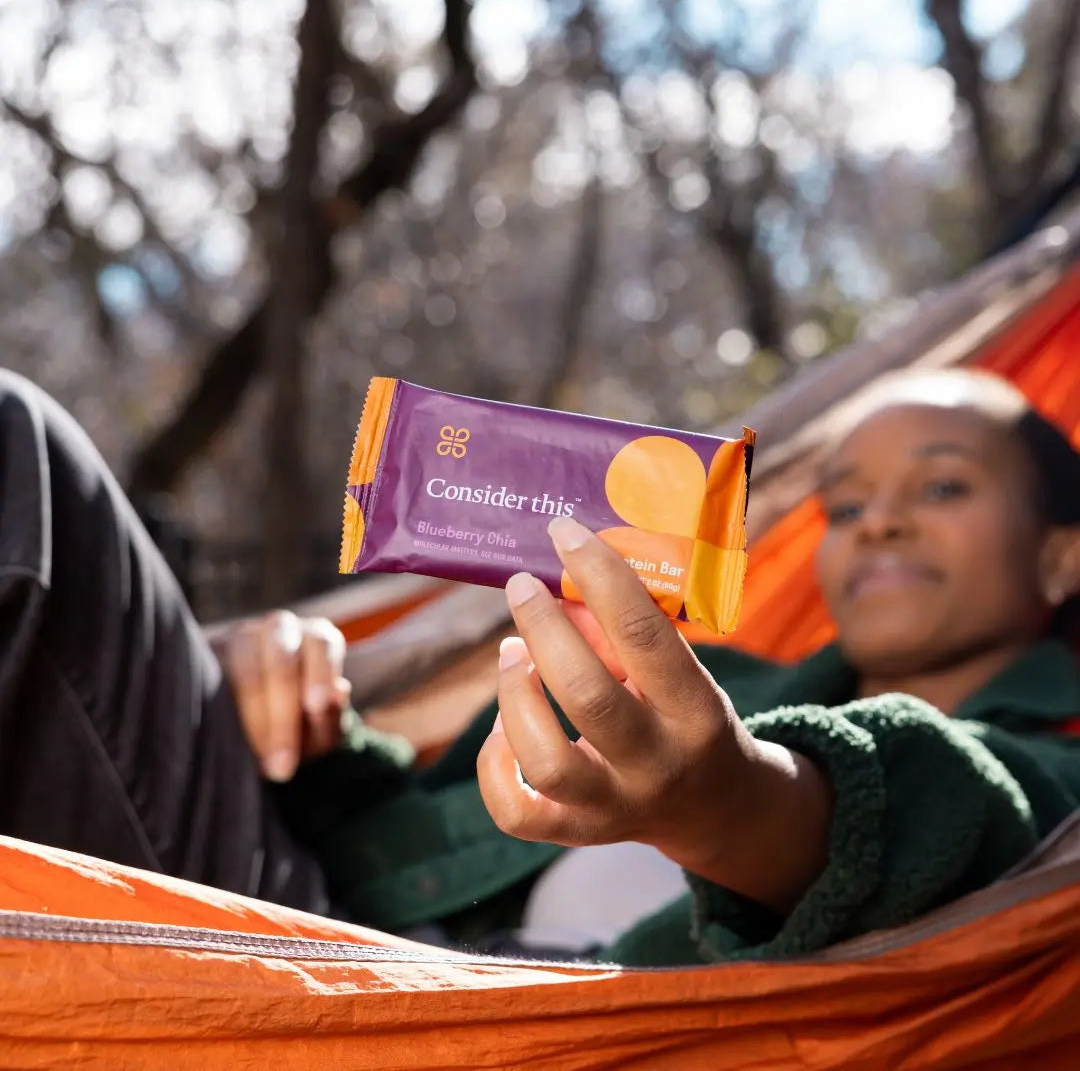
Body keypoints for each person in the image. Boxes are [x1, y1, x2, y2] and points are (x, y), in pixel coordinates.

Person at [3, 364, 1080, 967]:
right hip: (310, 929)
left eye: (942, 487)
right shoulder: (710, 678)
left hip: (468, 1025)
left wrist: (733, 804)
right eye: (844, 506)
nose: (879, 523)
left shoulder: (1056, 783)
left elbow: (970, 809)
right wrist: (294, 709)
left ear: (1061, 555)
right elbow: (398, 817)